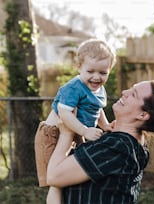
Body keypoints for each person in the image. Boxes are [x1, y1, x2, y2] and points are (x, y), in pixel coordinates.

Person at [46, 80, 154, 204]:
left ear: (142, 115)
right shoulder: (130, 144)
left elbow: (53, 177)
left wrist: (67, 134)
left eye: (133, 94)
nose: (124, 93)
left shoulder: (118, 147)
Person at [34, 38, 116, 203]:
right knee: (56, 182)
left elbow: (97, 108)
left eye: (103, 73)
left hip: (75, 134)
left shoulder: (99, 90)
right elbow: (65, 114)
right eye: (90, 71)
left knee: (70, 177)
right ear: (79, 67)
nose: (96, 77)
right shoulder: (73, 88)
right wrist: (85, 131)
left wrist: (105, 125)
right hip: (53, 134)